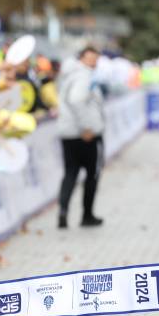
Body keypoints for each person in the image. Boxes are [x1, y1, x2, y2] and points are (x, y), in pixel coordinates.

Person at [56, 46, 106, 228]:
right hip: (86, 134)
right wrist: (86, 127)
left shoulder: (67, 75)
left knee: (70, 173)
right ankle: (87, 215)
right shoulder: (84, 76)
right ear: (81, 59)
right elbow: (76, 100)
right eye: (90, 58)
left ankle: (63, 211)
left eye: (95, 58)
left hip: (68, 133)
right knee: (92, 174)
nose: (93, 62)